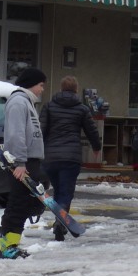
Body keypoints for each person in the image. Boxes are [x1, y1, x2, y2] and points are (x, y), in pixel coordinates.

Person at [40, 75, 102, 241]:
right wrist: (96, 147)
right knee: (66, 192)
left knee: (58, 189)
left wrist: (39, 151)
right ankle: (61, 221)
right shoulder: (81, 109)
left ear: (61, 88)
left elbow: (41, 130)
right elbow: (92, 131)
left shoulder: (49, 106)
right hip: (71, 157)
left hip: (51, 156)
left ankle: (59, 219)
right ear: (76, 89)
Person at [0, 67, 48, 259]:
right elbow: (15, 134)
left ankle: (11, 244)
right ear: (31, 84)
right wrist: (19, 162)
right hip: (22, 162)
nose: (42, 89)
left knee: (28, 200)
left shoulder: (27, 102)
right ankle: (5, 247)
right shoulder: (18, 102)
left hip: (30, 161)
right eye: (41, 85)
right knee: (18, 204)